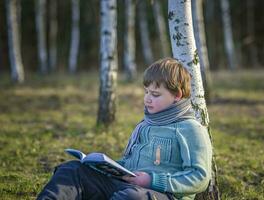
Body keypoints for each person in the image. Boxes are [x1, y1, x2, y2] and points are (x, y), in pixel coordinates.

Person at [37, 57, 212, 200]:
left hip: (163, 195)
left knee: (132, 197)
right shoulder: (144, 126)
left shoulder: (190, 129)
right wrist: (103, 166)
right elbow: (129, 164)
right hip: (126, 185)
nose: (147, 99)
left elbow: (199, 178)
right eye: (146, 92)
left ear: (177, 95)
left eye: (155, 94)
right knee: (73, 170)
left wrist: (152, 180)